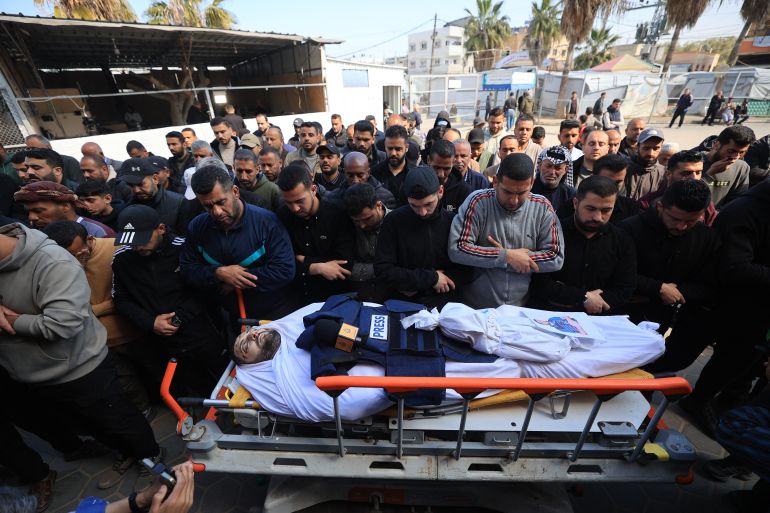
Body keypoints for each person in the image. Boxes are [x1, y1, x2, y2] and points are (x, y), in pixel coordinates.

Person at [0, 222, 161, 490]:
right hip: (35, 375)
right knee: (90, 424)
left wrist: (10, 321)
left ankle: (151, 455)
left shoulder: (54, 263)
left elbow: (61, 324)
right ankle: (126, 451)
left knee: (118, 418)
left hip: (81, 369)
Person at [682, 177, 770, 438]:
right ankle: (697, 401)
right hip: (724, 304)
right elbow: (735, 268)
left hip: (757, 308)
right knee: (712, 357)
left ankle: (723, 398)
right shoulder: (744, 211)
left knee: (740, 362)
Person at [112, 205, 227, 396]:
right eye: (132, 243)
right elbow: (121, 299)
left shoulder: (186, 248)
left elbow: (209, 287)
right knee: (186, 389)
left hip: (204, 333)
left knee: (223, 380)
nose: (138, 247)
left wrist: (179, 317)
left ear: (161, 229)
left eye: (144, 240)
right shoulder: (122, 259)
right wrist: (151, 322)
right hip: (160, 343)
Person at [42, 221, 148, 413]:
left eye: (79, 253)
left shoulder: (117, 249)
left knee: (155, 370)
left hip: (135, 330)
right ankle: (145, 410)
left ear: (89, 239)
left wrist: (93, 310)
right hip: (101, 341)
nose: (75, 259)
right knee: (125, 381)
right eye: (68, 256)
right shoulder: (56, 264)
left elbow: (134, 294)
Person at [621, 179, 720, 377]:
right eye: (675, 219)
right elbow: (616, 273)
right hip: (624, 314)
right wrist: (657, 287)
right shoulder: (630, 229)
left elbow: (710, 281)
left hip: (667, 316)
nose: (682, 227)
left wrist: (680, 292)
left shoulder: (706, 238)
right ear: (660, 207)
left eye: (691, 221)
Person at [180, 165, 295, 323]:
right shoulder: (197, 227)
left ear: (235, 191)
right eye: (208, 206)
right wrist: (218, 273)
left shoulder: (267, 222)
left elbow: (284, 270)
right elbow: (187, 269)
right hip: (231, 316)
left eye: (221, 202)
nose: (217, 212)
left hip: (275, 314)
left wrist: (237, 280)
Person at [448, 153, 564, 308]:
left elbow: (555, 257)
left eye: (522, 193)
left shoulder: (542, 207)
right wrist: (506, 256)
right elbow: (457, 248)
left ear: (532, 184)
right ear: (495, 181)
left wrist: (520, 258)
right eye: (508, 192)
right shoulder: (478, 202)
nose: (514, 200)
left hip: (521, 309)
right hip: (475, 307)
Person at [530, 175, 636, 314]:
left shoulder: (622, 240)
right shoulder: (552, 232)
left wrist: (596, 301)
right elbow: (539, 283)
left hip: (600, 319)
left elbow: (625, 288)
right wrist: (583, 297)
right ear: (575, 203)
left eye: (606, 210)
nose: (597, 217)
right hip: (550, 315)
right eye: (591, 209)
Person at [374, 166, 468, 309]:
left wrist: (432, 283)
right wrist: (430, 278)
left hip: (445, 305)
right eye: (414, 206)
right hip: (403, 304)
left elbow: (467, 269)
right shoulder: (393, 222)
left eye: (428, 204)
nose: (422, 212)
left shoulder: (454, 222)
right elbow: (383, 270)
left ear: (440, 192)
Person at [276, 163, 355, 305]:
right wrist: (316, 267)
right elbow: (280, 262)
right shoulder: (282, 216)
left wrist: (302, 258)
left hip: (333, 299)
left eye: (300, 201)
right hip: (296, 299)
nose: (295, 209)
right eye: (288, 203)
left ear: (313, 189)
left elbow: (343, 265)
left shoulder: (338, 215)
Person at [639, 150, 717, 226]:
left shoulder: (705, 204)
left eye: (698, 172)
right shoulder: (647, 203)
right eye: (686, 173)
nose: (694, 178)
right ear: (668, 174)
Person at [342, 183, 390, 302]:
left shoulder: (397, 223)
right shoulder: (347, 226)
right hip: (358, 296)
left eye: (367, 218)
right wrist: (386, 270)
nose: (362, 225)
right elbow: (345, 267)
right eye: (357, 221)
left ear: (378, 205)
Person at [14, 181, 112, 237]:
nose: (32, 217)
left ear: (65, 206)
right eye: (29, 212)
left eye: (38, 211)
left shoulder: (98, 233)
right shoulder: (35, 234)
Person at [120, 158, 187, 235]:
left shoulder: (179, 203)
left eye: (140, 184)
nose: (136, 190)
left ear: (155, 179)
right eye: (130, 185)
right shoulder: (128, 208)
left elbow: (185, 238)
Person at [701, 125, 755, 209]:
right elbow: (681, 196)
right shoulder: (693, 163)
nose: (736, 156)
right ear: (717, 145)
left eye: (741, 152)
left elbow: (736, 202)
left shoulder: (741, 167)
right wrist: (709, 175)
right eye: (731, 151)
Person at [326, 152, 396, 209]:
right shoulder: (334, 197)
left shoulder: (385, 197)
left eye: (360, 175)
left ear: (368, 173)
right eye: (350, 175)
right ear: (344, 173)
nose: (355, 180)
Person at [589, 154, 640, 224]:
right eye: (607, 181)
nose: (612, 187)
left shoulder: (631, 208)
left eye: (618, 182)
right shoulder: (574, 205)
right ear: (593, 178)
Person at [371, 124, 413, 201]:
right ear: (385, 146)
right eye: (390, 148)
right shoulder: (374, 173)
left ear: (406, 147)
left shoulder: (414, 174)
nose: (393, 153)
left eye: (398, 149)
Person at [427, 139, 471, 213]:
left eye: (446, 169)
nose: (441, 174)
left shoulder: (463, 190)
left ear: (453, 162)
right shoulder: (418, 183)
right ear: (428, 160)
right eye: (436, 168)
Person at [623, 128, 666, 201]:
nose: (650, 153)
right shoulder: (623, 167)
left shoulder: (664, 174)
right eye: (646, 148)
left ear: (661, 148)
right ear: (637, 147)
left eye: (656, 148)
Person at [531, 146, 575, 212]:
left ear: (565, 170)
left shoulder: (570, 195)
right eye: (548, 166)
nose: (552, 172)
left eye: (558, 168)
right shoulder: (528, 189)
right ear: (540, 165)